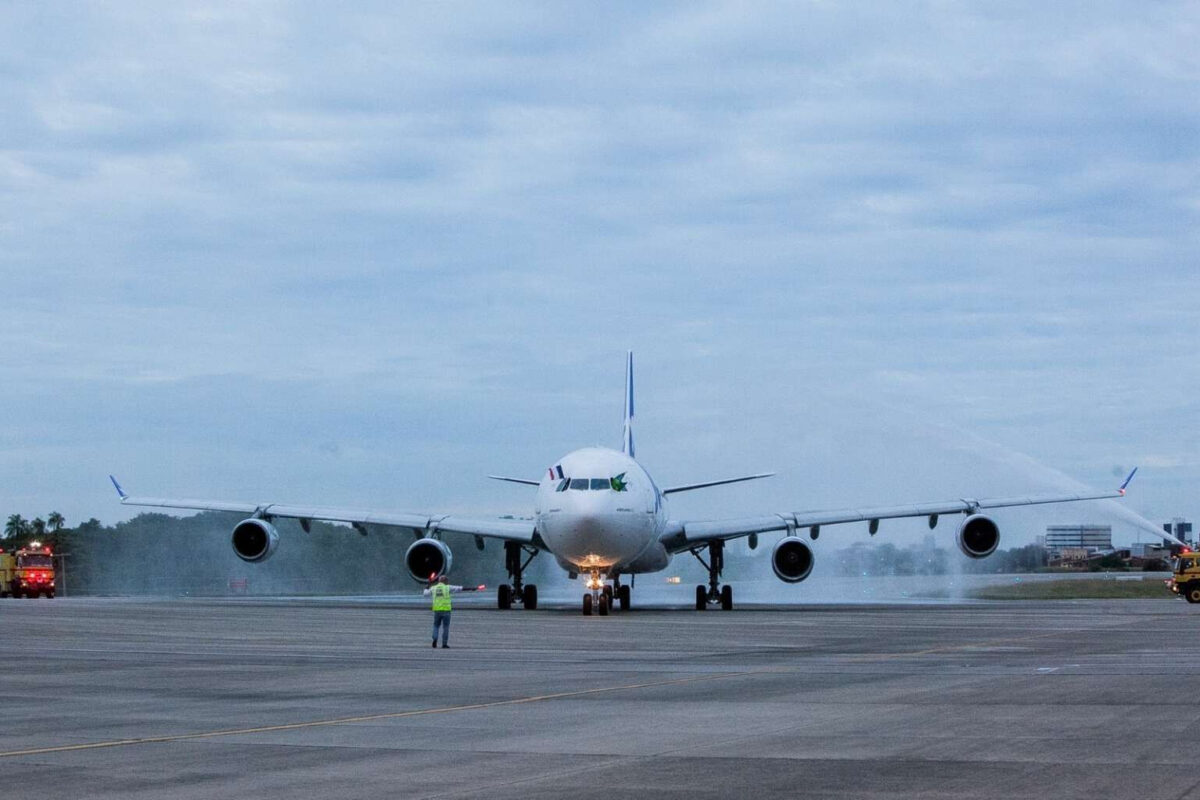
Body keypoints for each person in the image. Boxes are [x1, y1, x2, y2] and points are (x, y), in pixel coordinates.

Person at [422, 575, 484, 648]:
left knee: (436, 626)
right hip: (446, 611)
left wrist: (429, 583)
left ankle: (435, 639)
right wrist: (473, 588)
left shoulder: (433, 588)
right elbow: (460, 588)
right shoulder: (448, 587)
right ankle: (444, 644)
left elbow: (425, 593)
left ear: (439, 581)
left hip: (437, 610)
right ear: (445, 581)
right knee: (446, 627)